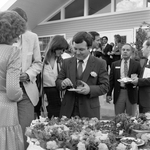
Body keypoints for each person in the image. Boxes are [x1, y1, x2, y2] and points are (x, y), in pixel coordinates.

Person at [56, 31, 109, 119]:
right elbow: (58, 82)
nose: (77, 52)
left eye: (81, 49)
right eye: (75, 49)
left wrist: (89, 90)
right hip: (68, 111)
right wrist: (62, 83)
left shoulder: (100, 63)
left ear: (89, 48)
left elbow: (105, 86)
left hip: (89, 111)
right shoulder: (66, 62)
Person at [12, 7, 42, 149]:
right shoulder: (2, 37)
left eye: (22, 24)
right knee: (7, 131)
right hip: (5, 92)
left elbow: (38, 63)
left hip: (26, 92)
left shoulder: (32, 37)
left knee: (25, 131)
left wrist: (28, 74)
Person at [0, 10, 26, 150]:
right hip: (5, 107)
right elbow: (12, 90)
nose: (17, 39)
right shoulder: (13, 51)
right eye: (16, 35)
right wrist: (19, 94)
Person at [106, 43, 141, 116]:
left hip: (131, 93)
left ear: (131, 52)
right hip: (119, 92)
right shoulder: (114, 64)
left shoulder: (136, 64)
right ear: (121, 51)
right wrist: (109, 93)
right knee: (119, 117)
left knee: (131, 118)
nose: (125, 51)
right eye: (123, 50)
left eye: (127, 50)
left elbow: (140, 79)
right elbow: (111, 80)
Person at [41, 35, 69, 118]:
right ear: (55, 46)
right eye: (61, 49)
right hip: (45, 94)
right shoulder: (41, 61)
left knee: (58, 118)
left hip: (58, 93)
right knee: (47, 118)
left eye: (64, 50)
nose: (62, 52)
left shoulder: (62, 62)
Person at [132, 39, 150, 113]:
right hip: (143, 99)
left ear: (149, 48)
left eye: (143, 47)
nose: (142, 49)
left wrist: (138, 81)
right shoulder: (146, 61)